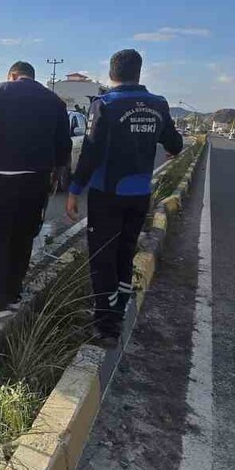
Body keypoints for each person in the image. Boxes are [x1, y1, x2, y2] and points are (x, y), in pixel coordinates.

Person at [65, 49, 183, 343]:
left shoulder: (106, 104)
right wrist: (170, 148)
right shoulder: (158, 104)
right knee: (125, 252)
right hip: (140, 193)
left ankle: (106, 326)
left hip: (108, 193)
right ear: (139, 72)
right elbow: (175, 142)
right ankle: (119, 310)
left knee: (102, 257)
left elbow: (90, 153)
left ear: (111, 73)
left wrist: (75, 190)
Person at [0, 61, 71, 319]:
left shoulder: (0, 91)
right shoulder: (55, 102)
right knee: (23, 236)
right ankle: (12, 292)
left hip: (4, 179)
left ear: (13, 75)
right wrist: (54, 176)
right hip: (37, 181)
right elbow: (63, 148)